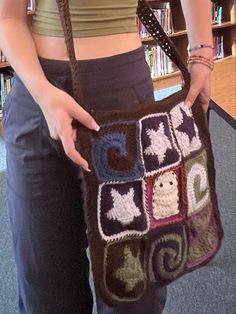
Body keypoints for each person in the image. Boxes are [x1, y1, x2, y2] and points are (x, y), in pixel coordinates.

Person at [0, 0, 214, 313]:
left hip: (124, 101)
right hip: (37, 102)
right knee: (45, 284)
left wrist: (202, 53)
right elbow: (8, 17)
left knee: (132, 282)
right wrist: (43, 93)